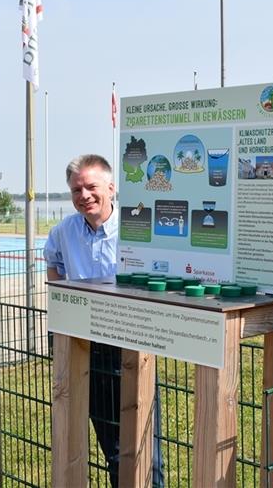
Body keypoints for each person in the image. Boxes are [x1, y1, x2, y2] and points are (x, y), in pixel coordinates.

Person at [44, 154, 164, 487]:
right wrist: (64, 302)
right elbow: (53, 262)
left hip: (130, 342)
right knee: (111, 445)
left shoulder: (135, 227)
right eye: (76, 189)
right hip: (85, 343)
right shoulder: (64, 231)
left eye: (91, 187)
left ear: (111, 187)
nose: (84, 196)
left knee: (143, 445)